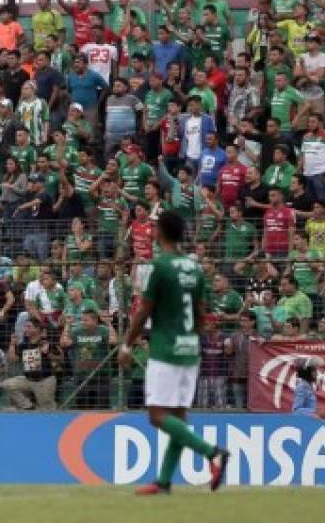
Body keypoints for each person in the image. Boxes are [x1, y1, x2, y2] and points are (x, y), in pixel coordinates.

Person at [119, 210, 230, 495]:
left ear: (161, 233)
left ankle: (212, 453)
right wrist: (194, 342)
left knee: (157, 416)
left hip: (166, 349)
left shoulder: (161, 266)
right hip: (190, 349)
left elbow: (144, 309)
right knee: (178, 418)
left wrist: (127, 344)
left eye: (155, 228)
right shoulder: (194, 267)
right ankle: (165, 481)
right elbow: (200, 312)